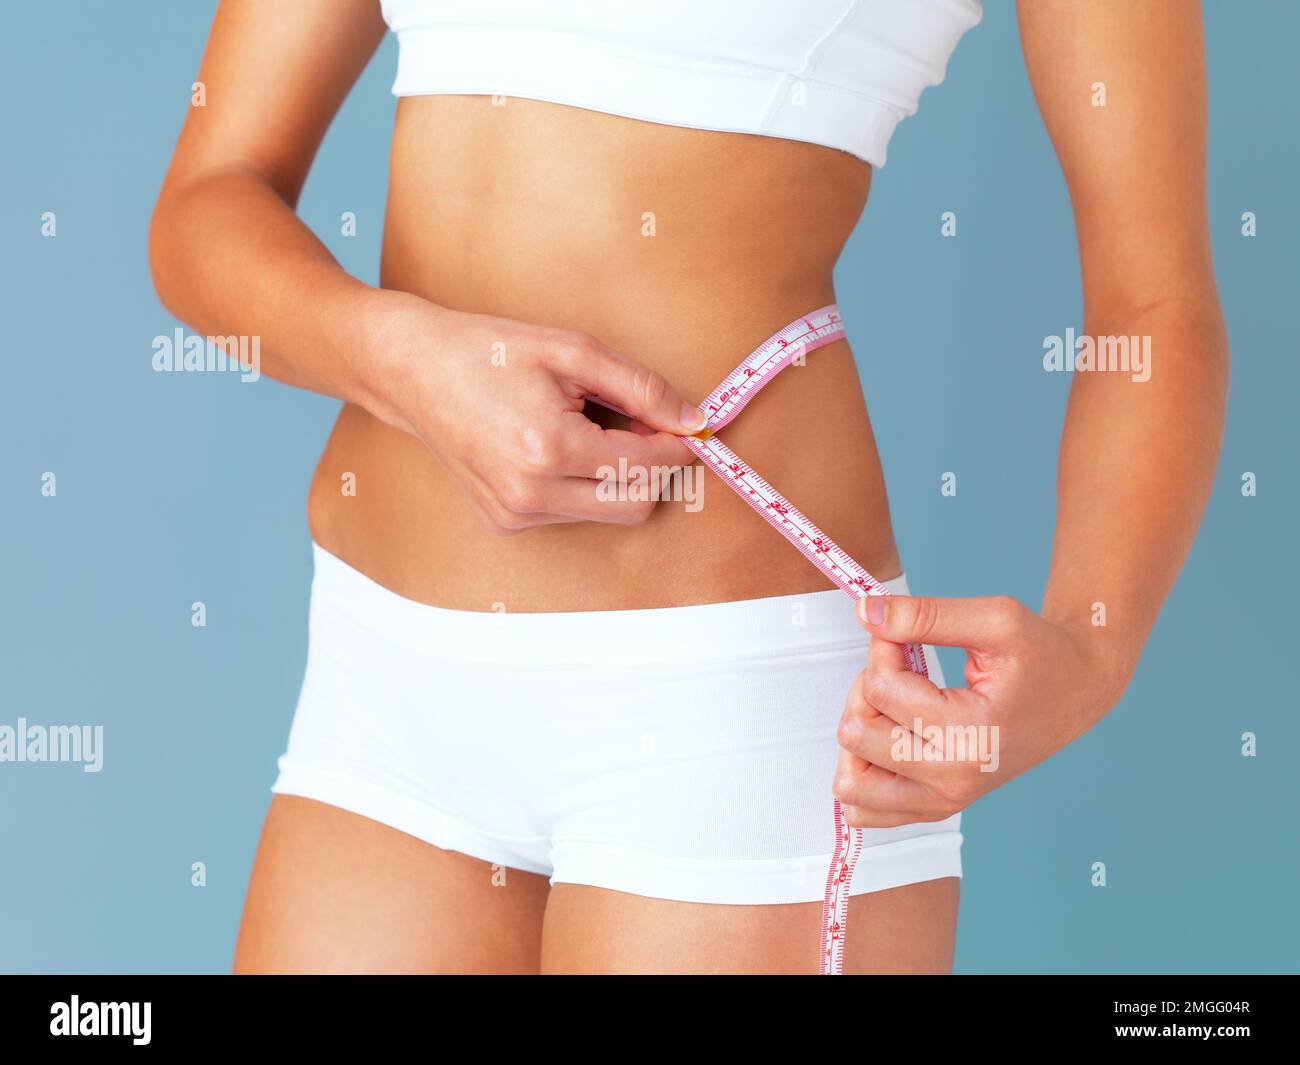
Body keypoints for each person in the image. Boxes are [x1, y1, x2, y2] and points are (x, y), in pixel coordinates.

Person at [149, 0, 1228, 974]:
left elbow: (1151, 302)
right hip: (378, 686)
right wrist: (400, 358)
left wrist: (1092, 650)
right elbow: (208, 198)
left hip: (728, 712)